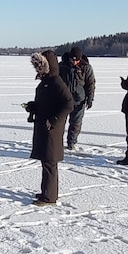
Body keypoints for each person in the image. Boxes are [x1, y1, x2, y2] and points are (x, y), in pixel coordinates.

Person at [26, 50, 73, 205]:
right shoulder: (46, 82)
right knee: (46, 162)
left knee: (50, 163)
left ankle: (50, 197)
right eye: (36, 67)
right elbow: (48, 102)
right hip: (44, 128)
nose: (38, 70)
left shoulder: (56, 82)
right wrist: (34, 107)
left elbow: (68, 103)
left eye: (40, 66)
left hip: (51, 130)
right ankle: (46, 192)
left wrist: (53, 120)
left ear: (48, 65)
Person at [59, 47, 96, 150]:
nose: (74, 62)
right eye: (73, 60)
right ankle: (57, 142)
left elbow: (91, 84)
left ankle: (71, 143)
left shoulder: (86, 68)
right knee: (60, 122)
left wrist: (90, 99)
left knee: (76, 123)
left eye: (77, 60)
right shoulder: (62, 66)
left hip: (79, 100)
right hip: (63, 100)